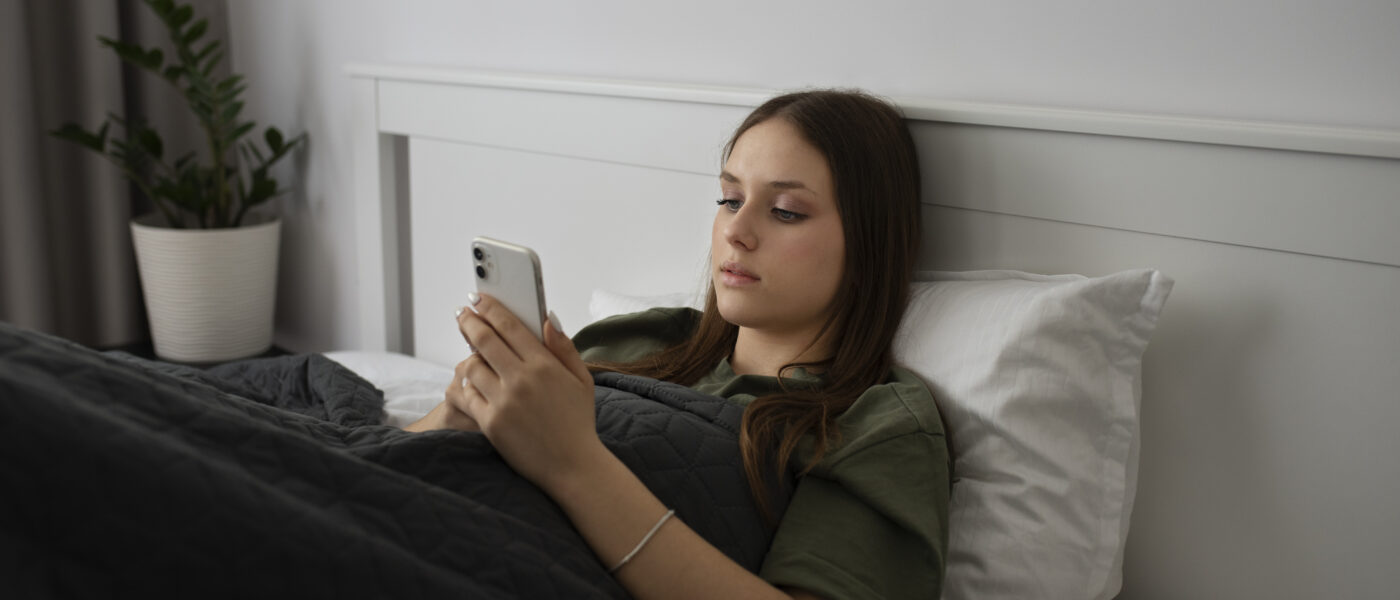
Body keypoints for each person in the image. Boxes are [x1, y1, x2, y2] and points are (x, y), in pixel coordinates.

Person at [406, 89, 950, 600]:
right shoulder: (639, 337)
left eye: (785, 210)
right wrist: (459, 410)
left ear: (869, 240)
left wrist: (573, 463)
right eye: (730, 199)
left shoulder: (877, 425)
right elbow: (393, 456)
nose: (736, 231)